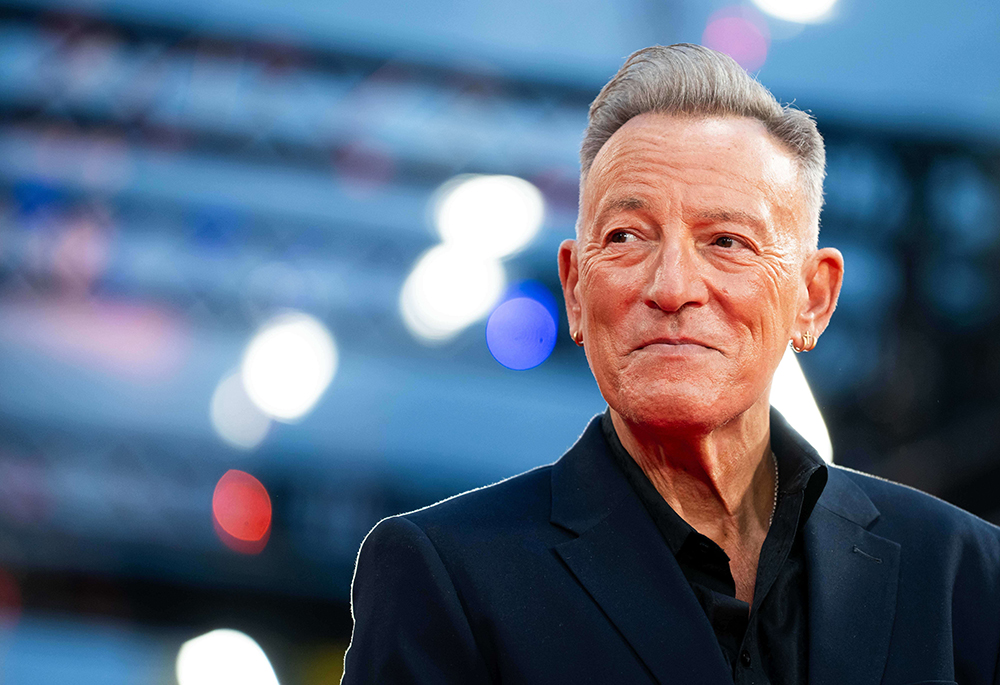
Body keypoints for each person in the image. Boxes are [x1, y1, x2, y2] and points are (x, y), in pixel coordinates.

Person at [341, 44, 1000, 685]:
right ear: (574, 289)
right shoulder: (447, 577)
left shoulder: (962, 576)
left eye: (727, 241)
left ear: (814, 299)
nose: (672, 285)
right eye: (627, 237)